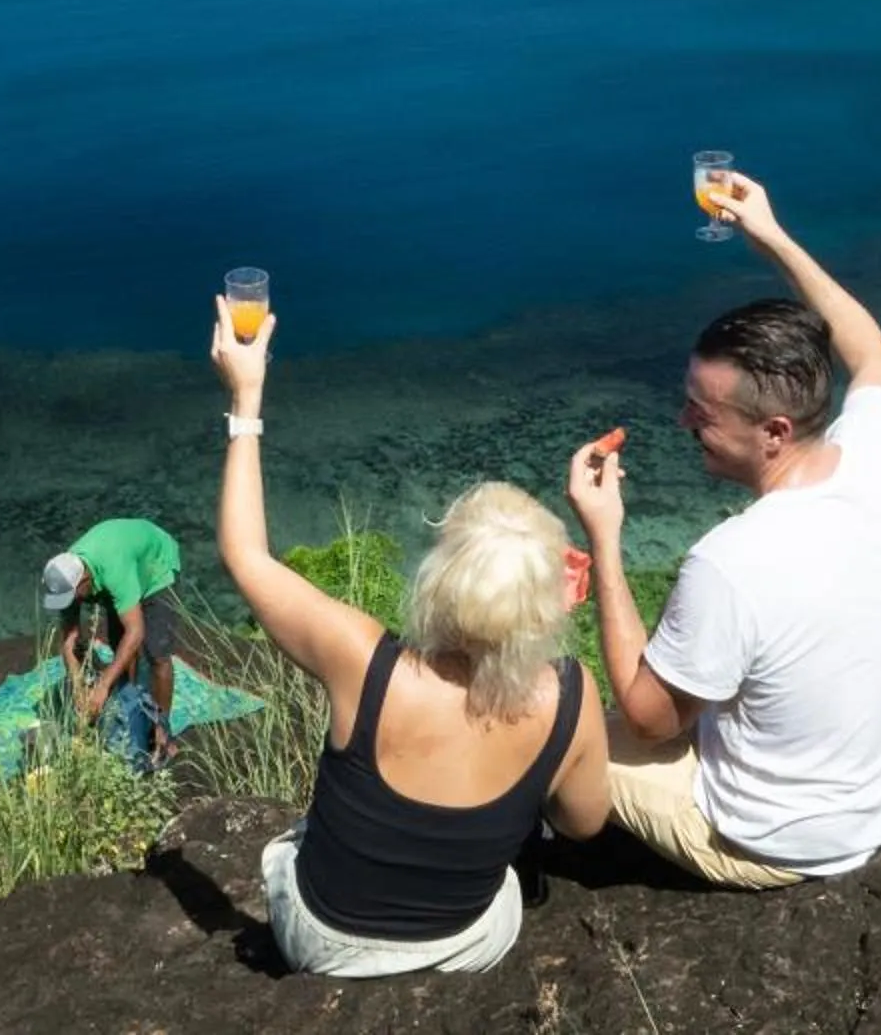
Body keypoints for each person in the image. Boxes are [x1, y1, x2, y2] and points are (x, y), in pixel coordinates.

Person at [212, 297, 610, 977]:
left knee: (287, 851)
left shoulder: (365, 662)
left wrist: (246, 397)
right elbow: (583, 823)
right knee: (508, 887)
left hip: (322, 942)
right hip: (459, 947)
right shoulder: (569, 697)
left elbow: (246, 555)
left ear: (440, 578)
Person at [566, 171, 881, 888]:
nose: (683, 422)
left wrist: (605, 537)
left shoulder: (732, 562)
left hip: (773, 838)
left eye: (702, 414)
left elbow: (649, 719)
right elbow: (874, 354)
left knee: (550, 732)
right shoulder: (880, 456)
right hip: (875, 798)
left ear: (775, 432)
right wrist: (772, 237)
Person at [41, 515, 183, 769]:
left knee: (156, 653)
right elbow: (70, 638)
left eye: (71, 597)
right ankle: (130, 707)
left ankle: (163, 731)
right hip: (119, 570)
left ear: (84, 581)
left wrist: (103, 684)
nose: (69, 604)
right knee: (121, 648)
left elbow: (136, 631)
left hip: (155, 566)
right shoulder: (65, 576)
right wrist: (77, 686)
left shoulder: (112, 570)